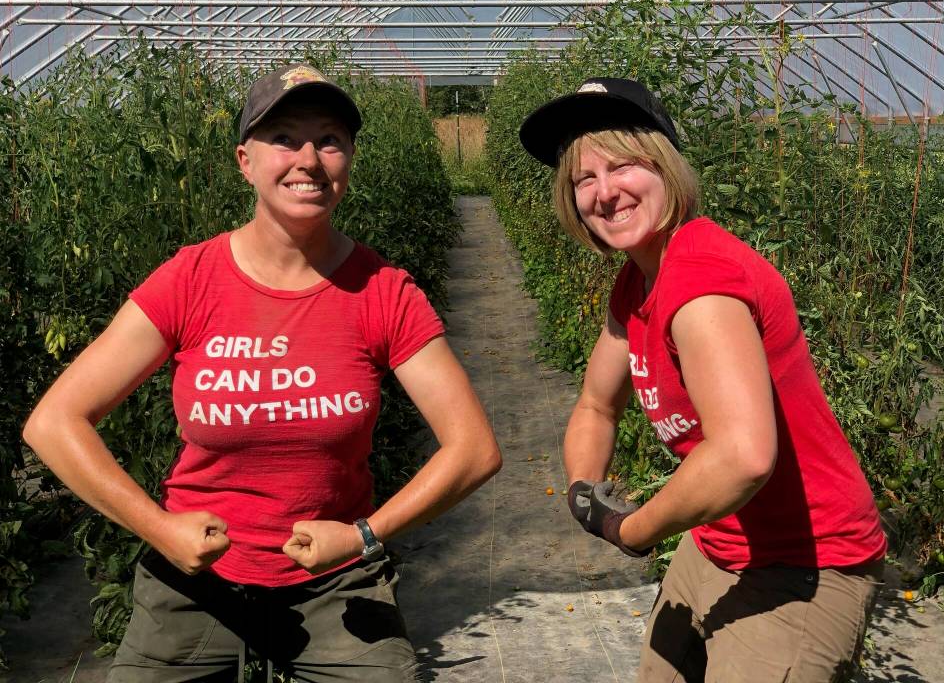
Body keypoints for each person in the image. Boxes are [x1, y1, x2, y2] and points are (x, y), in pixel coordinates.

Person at [23, 63, 502, 682]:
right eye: (284, 138)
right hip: (197, 580)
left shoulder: (383, 291)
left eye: (329, 139)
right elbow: (55, 422)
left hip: (337, 584)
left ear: (349, 159)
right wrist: (161, 529)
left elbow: (474, 449)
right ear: (245, 160)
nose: (308, 158)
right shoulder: (190, 280)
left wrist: (363, 535)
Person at [518, 77, 886, 683]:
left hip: (804, 561)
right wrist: (586, 486)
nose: (606, 192)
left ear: (665, 166)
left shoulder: (698, 279)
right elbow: (595, 405)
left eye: (624, 166)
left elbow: (742, 457)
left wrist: (633, 527)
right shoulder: (637, 281)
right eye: (585, 178)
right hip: (717, 542)